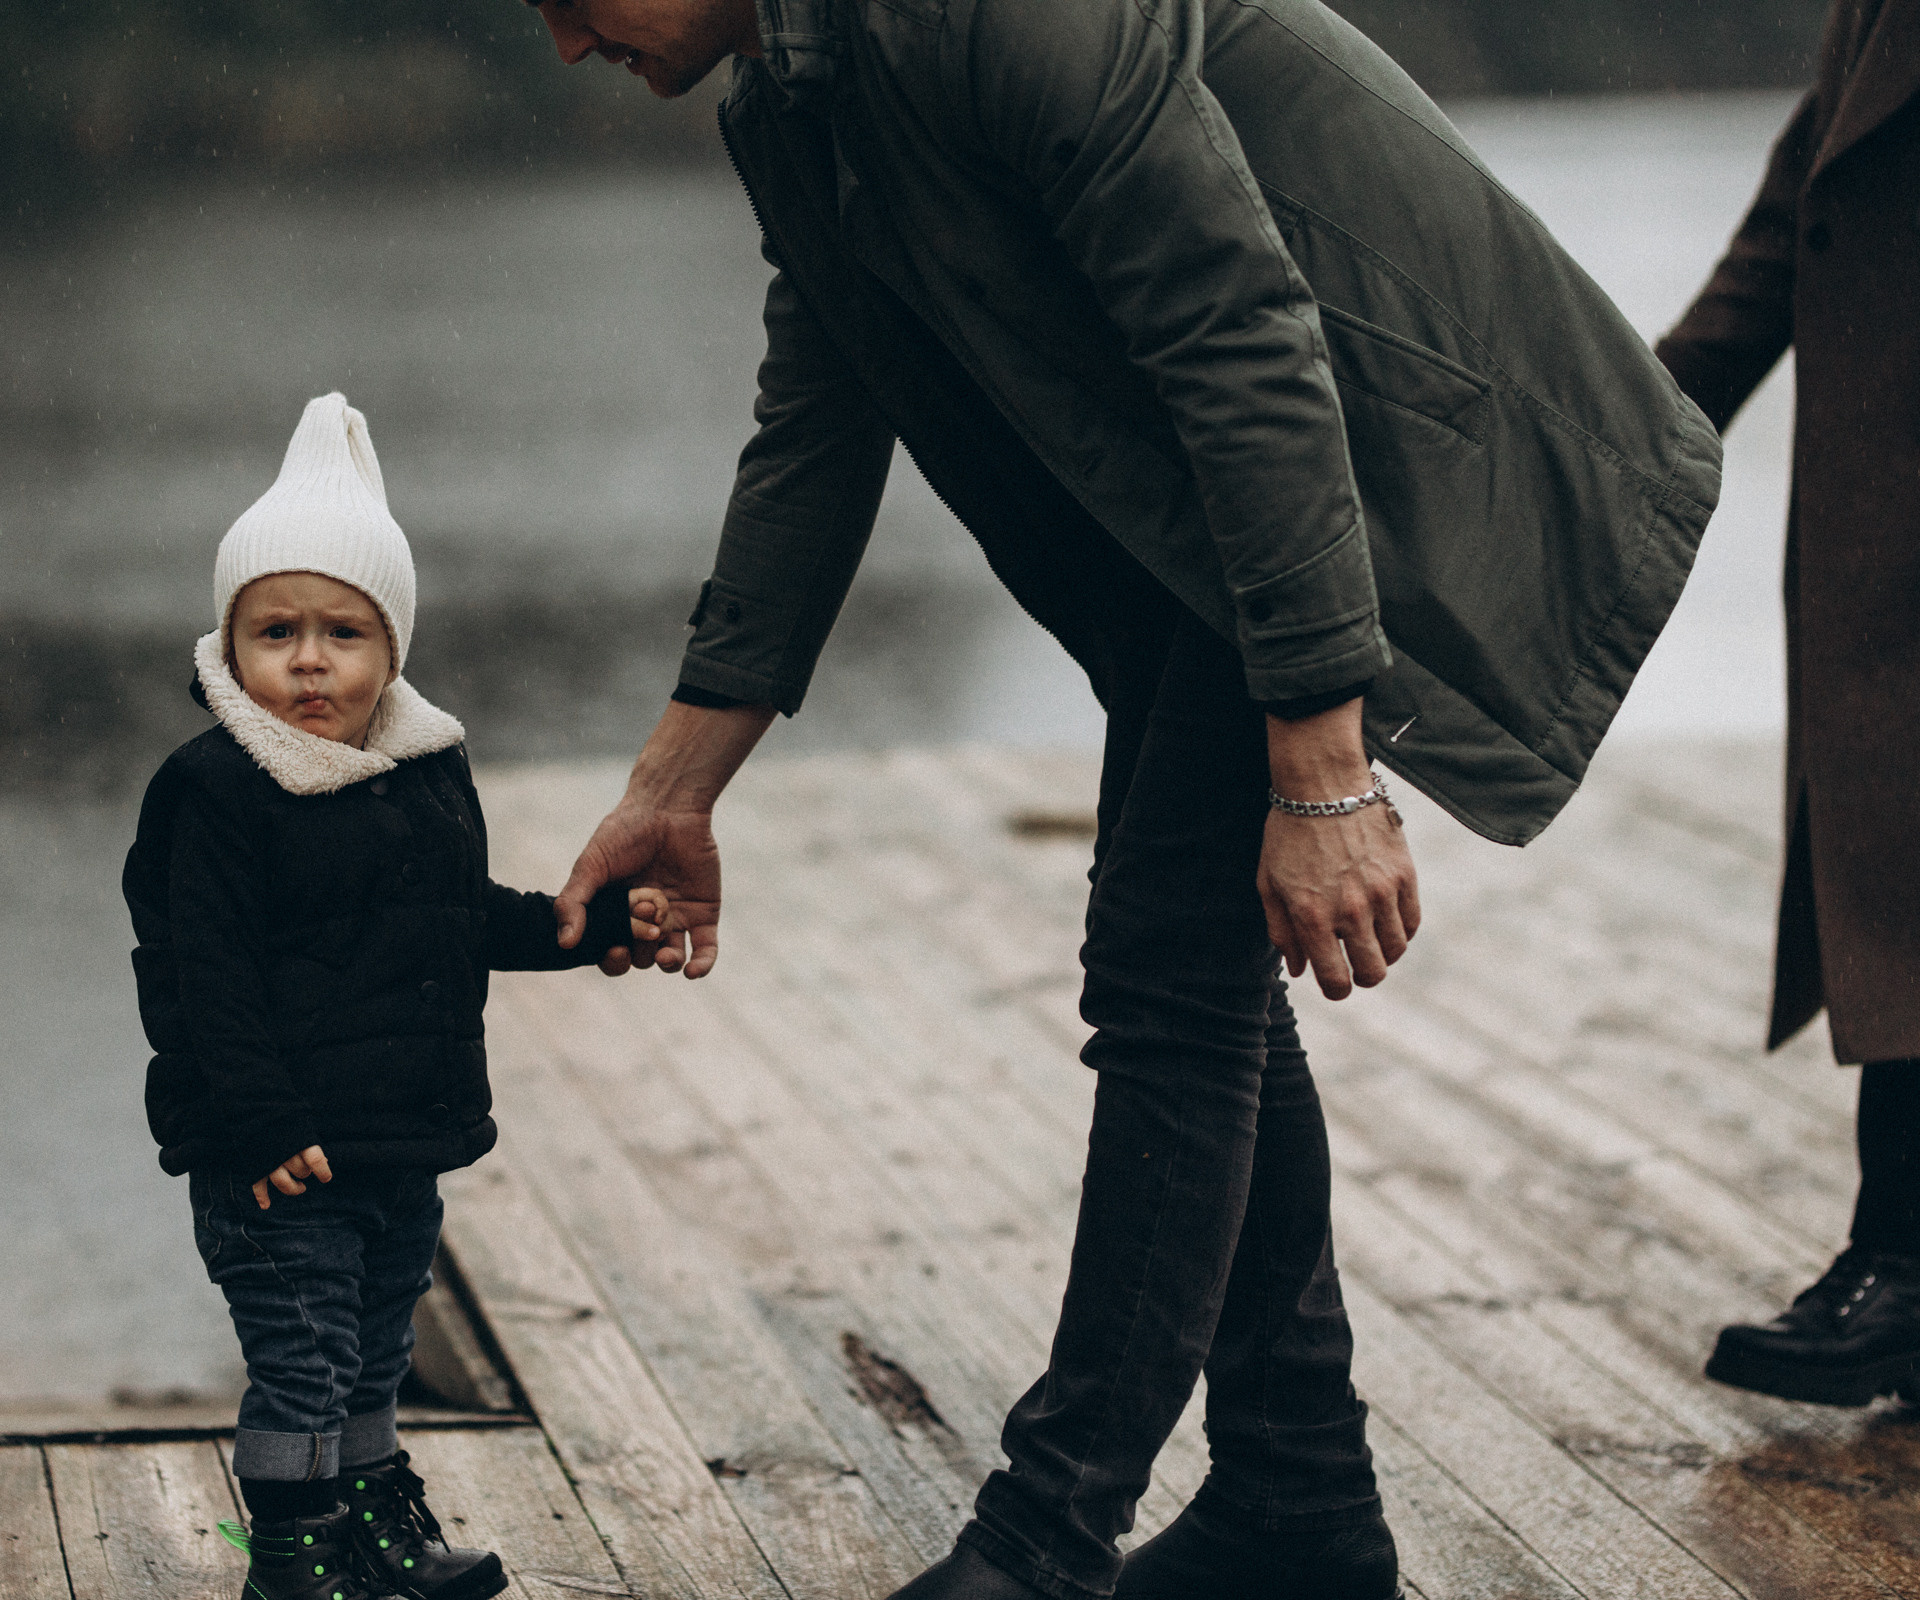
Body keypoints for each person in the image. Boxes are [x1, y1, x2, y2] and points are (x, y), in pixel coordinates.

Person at [526, 2, 1721, 1597]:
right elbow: (821, 420)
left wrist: (1322, 756)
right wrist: (678, 787)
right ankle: (1297, 1505)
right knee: (1193, 977)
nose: (559, 42)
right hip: (1214, 516)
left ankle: (1042, 1544)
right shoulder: (791, 99)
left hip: (1354, 446)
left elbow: (1240, 330)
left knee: (1168, 984)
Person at [122, 394, 664, 1600]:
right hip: (276, 1154)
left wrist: (590, 929)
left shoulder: (419, 768)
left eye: (342, 633)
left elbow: (454, 919)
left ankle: (373, 1535)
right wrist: (255, 1124)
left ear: (393, 649)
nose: (309, 660)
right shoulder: (216, 789)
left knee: (373, 1350)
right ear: (231, 642)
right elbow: (199, 978)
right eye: (275, 631)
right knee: (303, 1360)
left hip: (392, 1140)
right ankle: (293, 1561)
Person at [1655, 0, 1920, 1409]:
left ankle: (1903, 1271)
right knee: (1902, 874)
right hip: (1886, 498)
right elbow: (1799, 205)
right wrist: (1640, 424)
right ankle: (1902, 1264)